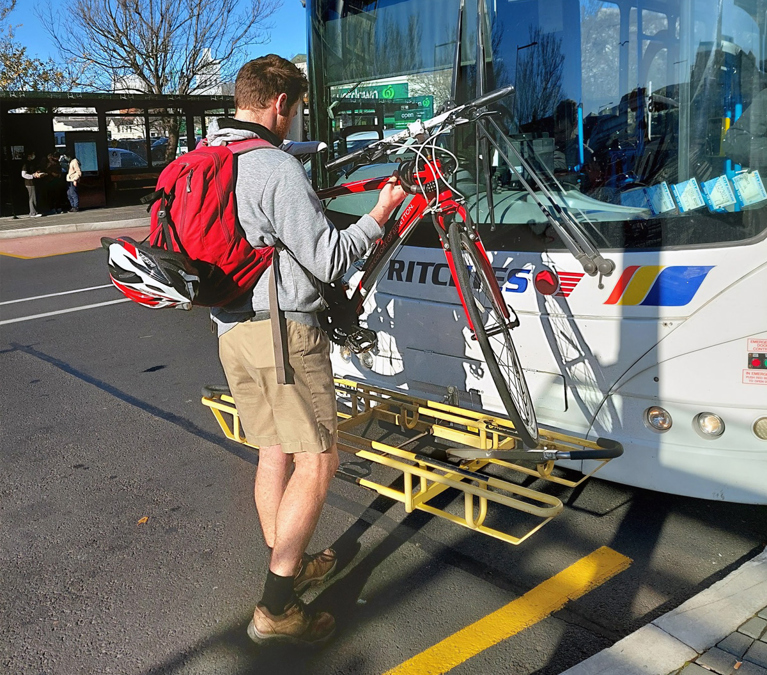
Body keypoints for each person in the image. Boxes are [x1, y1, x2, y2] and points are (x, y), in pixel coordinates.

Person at [207, 55, 406, 646]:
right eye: (295, 111)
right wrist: (381, 213)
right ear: (278, 106)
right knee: (318, 460)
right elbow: (332, 257)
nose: (294, 122)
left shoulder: (207, 157)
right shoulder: (273, 167)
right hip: (284, 335)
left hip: (231, 331)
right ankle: (276, 608)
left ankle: (286, 559)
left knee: (273, 450)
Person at [21, 151, 44, 217]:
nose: (34, 156)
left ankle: (34, 211)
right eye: (32, 154)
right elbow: (23, 174)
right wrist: (32, 176)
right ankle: (33, 212)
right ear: (29, 156)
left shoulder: (31, 163)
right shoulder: (25, 164)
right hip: (29, 183)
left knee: (34, 197)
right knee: (32, 197)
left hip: (33, 182)